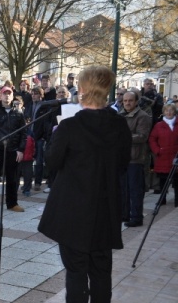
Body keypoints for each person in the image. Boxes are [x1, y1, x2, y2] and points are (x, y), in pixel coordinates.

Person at [38, 66, 132, 303]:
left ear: (81, 90)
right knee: (101, 272)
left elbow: (52, 161)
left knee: (76, 272)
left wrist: (56, 134)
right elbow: (123, 163)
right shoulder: (120, 125)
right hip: (105, 210)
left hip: (73, 212)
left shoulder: (69, 126)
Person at [0, 86, 27, 213]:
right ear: (0, 96)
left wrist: (21, 149)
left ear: (13, 96)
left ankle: (12, 203)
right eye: (4, 93)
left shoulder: (18, 113)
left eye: (9, 93)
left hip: (13, 150)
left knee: (13, 179)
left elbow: (23, 133)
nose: (7, 96)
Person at [119, 90, 152, 227]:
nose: (127, 103)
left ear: (136, 101)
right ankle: (125, 214)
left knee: (135, 190)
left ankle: (136, 217)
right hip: (122, 157)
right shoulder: (120, 114)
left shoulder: (143, 116)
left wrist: (124, 137)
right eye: (125, 100)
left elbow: (143, 136)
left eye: (130, 100)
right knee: (123, 189)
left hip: (135, 158)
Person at [148, 103, 178, 207]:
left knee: (177, 180)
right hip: (163, 156)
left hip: (176, 157)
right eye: (167, 110)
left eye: (171, 110)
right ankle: (162, 199)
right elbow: (152, 139)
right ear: (163, 112)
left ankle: (177, 201)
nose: (169, 112)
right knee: (163, 180)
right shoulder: (159, 125)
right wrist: (157, 150)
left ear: (174, 112)